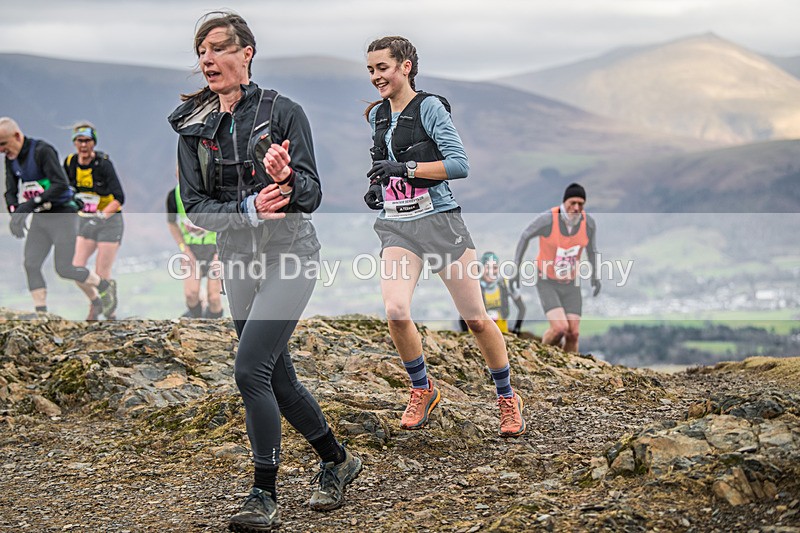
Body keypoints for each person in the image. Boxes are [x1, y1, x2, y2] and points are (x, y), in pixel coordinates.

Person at [167, 12, 360, 531]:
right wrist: (249, 209)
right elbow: (194, 207)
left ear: (246, 52)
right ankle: (338, 461)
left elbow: (314, 195)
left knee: (249, 369)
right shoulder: (193, 128)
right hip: (238, 259)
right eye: (201, 51)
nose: (207, 59)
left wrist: (288, 178)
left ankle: (263, 493)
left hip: (290, 254)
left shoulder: (283, 112)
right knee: (276, 376)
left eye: (218, 48)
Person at [364, 36, 526, 438]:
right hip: (398, 225)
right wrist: (378, 186)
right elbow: (383, 161)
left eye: (382, 68)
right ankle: (423, 389)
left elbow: (459, 165)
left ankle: (507, 397)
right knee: (396, 312)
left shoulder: (429, 108)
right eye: (369, 70)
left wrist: (406, 171)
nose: (375, 77)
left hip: (440, 221)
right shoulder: (376, 116)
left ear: (405, 66)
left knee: (475, 318)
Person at [1, 117, 116, 316]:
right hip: (41, 218)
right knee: (31, 263)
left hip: (63, 215)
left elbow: (60, 185)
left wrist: (28, 205)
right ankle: (41, 314)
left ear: (17, 136)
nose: (2, 150)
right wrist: (14, 214)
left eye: (3, 144)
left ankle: (104, 286)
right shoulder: (10, 159)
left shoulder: (42, 151)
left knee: (64, 269)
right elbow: (10, 190)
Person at [512, 183, 600, 353]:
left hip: (570, 282)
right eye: (572, 203)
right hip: (547, 281)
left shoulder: (588, 223)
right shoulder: (548, 219)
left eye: (580, 204)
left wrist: (595, 276)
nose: (576, 207)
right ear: (565, 202)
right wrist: (516, 268)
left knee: (573, 333)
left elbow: (592, 250)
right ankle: (540, 357)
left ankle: (569, 369)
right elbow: (525, 236)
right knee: (559, 329)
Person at [63, 122, 124, 320]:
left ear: (94, 143)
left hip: (109, 221)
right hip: (85, 220)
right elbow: (65, 191)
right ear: (74, 143)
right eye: (80, 141)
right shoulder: (70, 163)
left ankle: (110, 314)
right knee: (75, 267)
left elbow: (119, 197)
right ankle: (95, 301)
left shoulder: (103, 164)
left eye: (88, 141)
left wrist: (101, 216)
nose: (83, 145)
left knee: (102, 271)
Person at [166, 182, 223, 318]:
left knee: (214, 297)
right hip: (192, 250)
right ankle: (196, 321)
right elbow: (171, 223)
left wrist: (221, 252)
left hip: (215, 249)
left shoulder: (215, 189)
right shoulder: (174, 195)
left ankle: (213, 326)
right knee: (191, 294)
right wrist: (184, 248)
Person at [459, 251, 526, 335]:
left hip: (502, 335)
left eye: (494, 268)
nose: (492, 272)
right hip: (477, 337)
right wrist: (465, 336)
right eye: (488, 268)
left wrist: (517, 328)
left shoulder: (505, 284)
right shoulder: (473, 287)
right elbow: (462, 315)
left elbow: (522, 308)